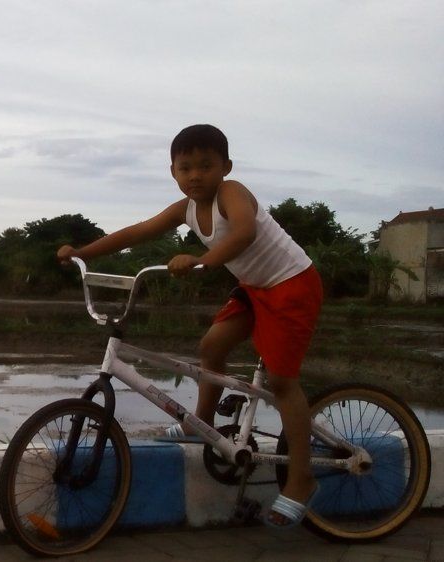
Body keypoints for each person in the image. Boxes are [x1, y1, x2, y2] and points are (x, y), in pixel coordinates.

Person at [56, 124, 323, 529]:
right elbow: (138, 232)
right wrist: (82, 252)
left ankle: (302, 481)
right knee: (211, 348)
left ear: (225, 167)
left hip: (292, 284)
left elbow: (246, 231)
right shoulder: (184, 209)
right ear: (173, 173)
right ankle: (200, 424)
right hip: (254, 288)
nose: (195, 175)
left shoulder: (232, 193)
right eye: (186, 168)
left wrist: (202, 259)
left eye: (206, 165)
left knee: (284, 383)